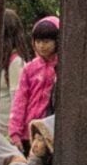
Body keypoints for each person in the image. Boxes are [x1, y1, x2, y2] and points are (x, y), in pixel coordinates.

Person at [5, 17, 60, 155]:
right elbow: (20, 99)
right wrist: (14, 130)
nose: (42, 46)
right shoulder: (30, 68)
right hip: (28, 131)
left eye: (47, 41)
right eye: (38, 41)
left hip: (48, 129)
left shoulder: (60, 68)